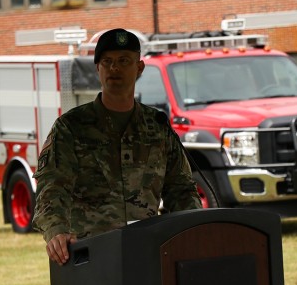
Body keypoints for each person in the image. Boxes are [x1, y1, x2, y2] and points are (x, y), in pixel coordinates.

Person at [31, 28, 201, 265]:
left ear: (139, 68)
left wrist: (195, 230)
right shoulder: (71, 128)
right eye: (107, 62)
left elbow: (180, 189)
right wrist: (56, 231)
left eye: (123, 61)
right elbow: (51, 188)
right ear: (97, 68)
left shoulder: (157, 126)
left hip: (149, 253)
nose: (114, 68)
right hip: (89, 255)